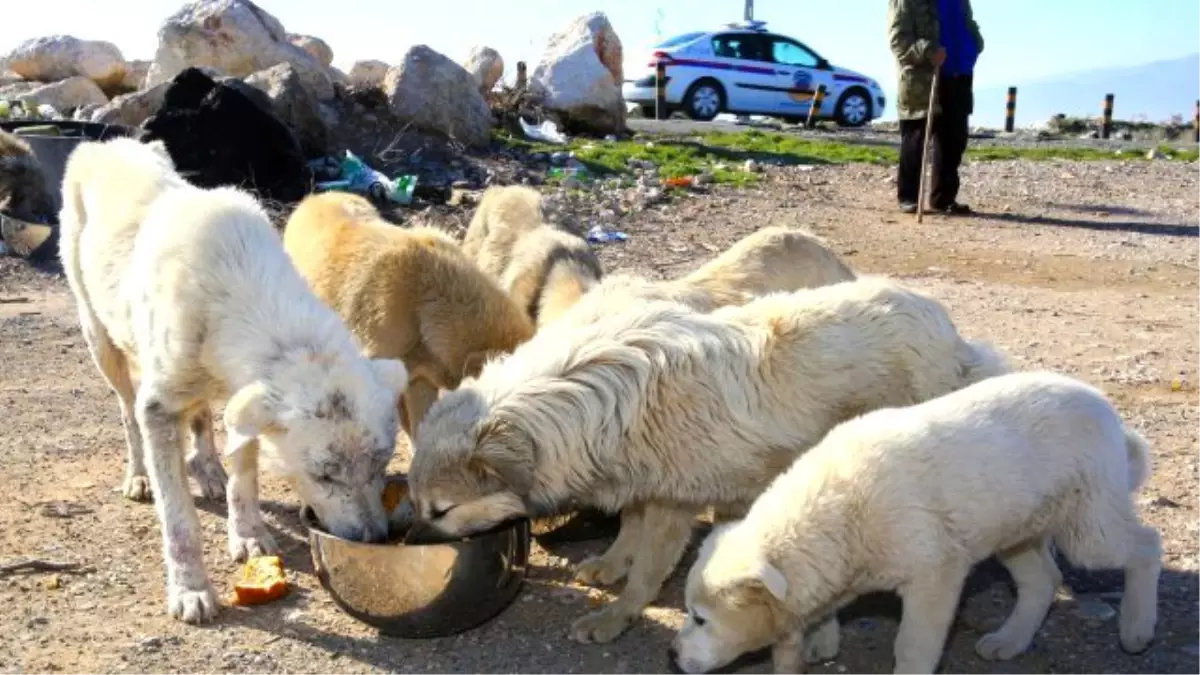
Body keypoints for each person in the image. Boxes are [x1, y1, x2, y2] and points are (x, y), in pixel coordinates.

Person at [887, 0, 984, 215]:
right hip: (924, 78)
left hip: (959, 75)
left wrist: (974, 44)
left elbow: (967, 23)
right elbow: (898, 41)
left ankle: (943, 198)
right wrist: (928, 51)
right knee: (916, 139)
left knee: (954, 141)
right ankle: (908, 198)